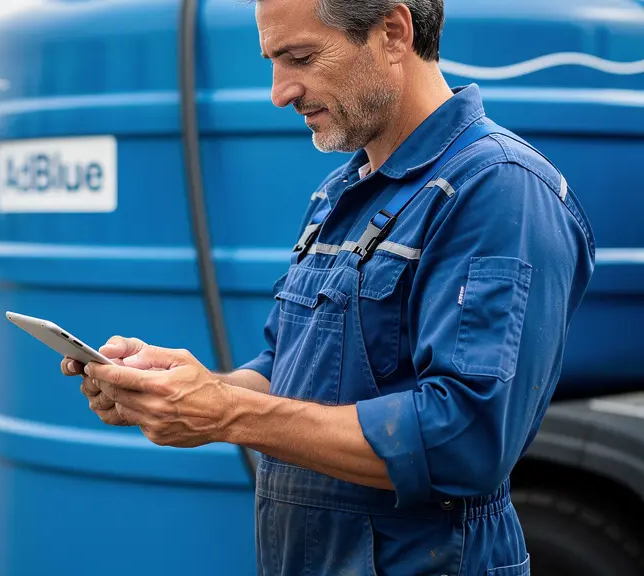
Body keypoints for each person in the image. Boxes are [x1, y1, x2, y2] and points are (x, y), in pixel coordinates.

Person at [61, 0, 595, 573]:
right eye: (272, 60)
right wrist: (182, 391)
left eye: (300, 57)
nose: (279, 92)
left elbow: (464, 440)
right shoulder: (340, 195)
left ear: (393, 31)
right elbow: (288, 370)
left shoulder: (496, 193)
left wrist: (225, 412)